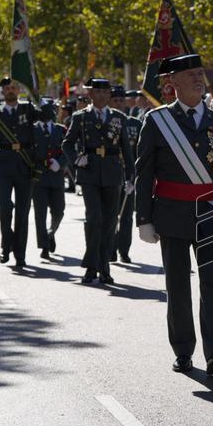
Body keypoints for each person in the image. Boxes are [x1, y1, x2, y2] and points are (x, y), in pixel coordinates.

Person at [135, 54, 213, 375]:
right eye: (190, 75)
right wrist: (144, 219)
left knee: (212, 284)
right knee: (178, 286)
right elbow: (144, 172)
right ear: (173, 83)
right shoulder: (157, 121)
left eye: (200, 74)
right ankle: (183, 350)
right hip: (171, 215)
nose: (198, 79)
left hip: (210, 215)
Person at [63, 78, 135, 284]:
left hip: (112, 173)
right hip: (90, 172)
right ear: (91, 95)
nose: (102, 95)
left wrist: (131, 176)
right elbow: (67, 144)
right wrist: (77, 159)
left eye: (105, 92)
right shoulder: (80, 117)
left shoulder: (119, 118)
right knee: (94, 219)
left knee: (110, 222)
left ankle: (103, 267)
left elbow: (127, 151)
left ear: (110, 95)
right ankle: (91, 266)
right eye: (97, 92)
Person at [0, 76, 39, 268]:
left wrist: (37, 94)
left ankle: (20, 255)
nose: (11, 91)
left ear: (19, 90)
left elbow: (48, 115)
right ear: (2, 91)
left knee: (22, 213)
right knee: (5, 209)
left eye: (14, 87)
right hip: (4, 167)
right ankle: (6, 245)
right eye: (7, 88)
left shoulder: (28, 109)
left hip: (25, 166)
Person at [110, 85, 142, 263]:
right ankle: (111, 248)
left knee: (127, 215)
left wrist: (135, 174)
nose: (119, 103)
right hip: (111, 174)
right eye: (115, 100)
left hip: (129, 175)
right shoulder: (107, 122)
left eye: (121, 100)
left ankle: (124, 250)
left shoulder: (135, 124)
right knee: (111, 214)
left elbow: (140, 151)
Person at [32, 101, 68, 260]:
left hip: (56, 177)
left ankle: (51, 233)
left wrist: (60, 163)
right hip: (38, 178)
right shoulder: (31, 130)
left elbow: (69, 149)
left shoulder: (61, 130)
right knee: (40, 214)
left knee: (59, 211)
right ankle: (44, 246)